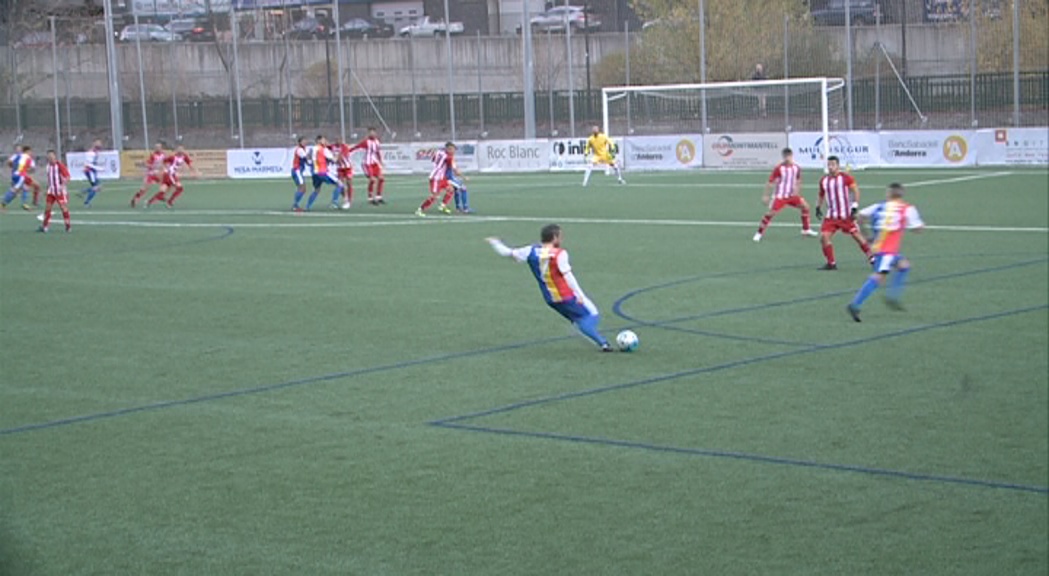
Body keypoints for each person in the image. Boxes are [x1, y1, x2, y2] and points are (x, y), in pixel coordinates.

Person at [486, 224, 613, 352]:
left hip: (550, 299)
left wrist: (495, 243)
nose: (561, 239)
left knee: (578, 318)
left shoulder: (530, 250)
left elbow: (507, 253)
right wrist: (579, 294)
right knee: (591, 314)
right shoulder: (559, 254)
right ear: (554, 237)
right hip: (566, 295)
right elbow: (568, 276)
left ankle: (594, 336)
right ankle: (603, 343)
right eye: (560, 236)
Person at [847, 183, 925, 322]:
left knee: (904, 266)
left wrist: (867, 236)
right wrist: (920, 226)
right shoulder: (907, 209)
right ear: (901, 194)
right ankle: (855, 304)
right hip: (887, 251)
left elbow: (859, 216)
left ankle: (893, 296)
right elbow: (917, 229)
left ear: (889, 194)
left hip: (880, 248)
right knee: (879, 277)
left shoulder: (879, 206)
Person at [815, 155, 872, 270]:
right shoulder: (824, 180)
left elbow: (855, 190)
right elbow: (821, 194)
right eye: (829, 165)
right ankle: (831, 263)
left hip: (845, 215)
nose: (831, 167)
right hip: (831, 216)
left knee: (856, 236)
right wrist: (817, 207)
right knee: (824, 237)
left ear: (838, 166)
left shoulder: (845, 178)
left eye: (833, 165)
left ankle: (872, 257)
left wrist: (854, 206)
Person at [753, 147, 818, 242]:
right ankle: (759, 233)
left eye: (789, 156)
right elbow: (770, 182)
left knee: (806, 207)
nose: (787, 158)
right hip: (780, 196)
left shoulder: (796, 168)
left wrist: (797, 190)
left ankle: (806, 229)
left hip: (792, 196)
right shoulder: (779, 168)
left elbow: (798, 180)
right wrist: (766, 195)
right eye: (785, 156)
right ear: (783, 157)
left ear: (792, 156)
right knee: (770, 213)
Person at [416, 142, 458, 217]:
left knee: (451, 189)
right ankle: (420, 209)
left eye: (454, 150)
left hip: (442, 178)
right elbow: (451, 167)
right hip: (436, 178)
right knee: (434, 196)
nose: (453, 151)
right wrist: (457, 173)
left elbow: (429, 152)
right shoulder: (448, 157)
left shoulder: (439, 152)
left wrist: (422, 152)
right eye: (452, 149)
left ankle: (442, 206)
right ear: (447, 149)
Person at [307, 135, 344, 211]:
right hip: (323, 172)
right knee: (340, 184)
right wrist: (338, 155)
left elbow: (308, 159)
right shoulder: (324, 149)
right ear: (319, 141)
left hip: (314, 173)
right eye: (324, 140)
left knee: (317, 190)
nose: (325, 142)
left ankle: (308, 206)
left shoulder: (311, 149)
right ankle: (334, 203)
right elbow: (334, 160)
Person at [349, 127, 385, 205]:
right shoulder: (366, 142)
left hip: (375, 163)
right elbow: (356, 147)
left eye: (373, 132)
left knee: (381, 179)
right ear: (368, 133)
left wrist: (380, 161)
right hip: (367, 164)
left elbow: (377, 152)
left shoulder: (377, 142)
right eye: (370, 132)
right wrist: (347, 151)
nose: (372, 134)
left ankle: (379, 197)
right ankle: (370, 197)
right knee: (372, 180)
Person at [38, 149, 71, 233]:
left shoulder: (59, 165)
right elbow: (50, 179)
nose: (51, 158)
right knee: (47, 208)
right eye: (49, 157)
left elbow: (67, 177)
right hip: (51, 191)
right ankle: (45, 226)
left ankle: (68, 226)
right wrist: (46, 189)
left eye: (52, 157)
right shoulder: (48, 166)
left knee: (63, 208)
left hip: (60, 192)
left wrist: (63, 185)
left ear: (55, 156)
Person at [131, 142, 168, 207]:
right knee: (145, 188)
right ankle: (135, 198)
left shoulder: (164, 155)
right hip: (152, 173)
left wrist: (165, 168)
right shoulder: (153, 155)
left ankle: (161, 196)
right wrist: (152, 166)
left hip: (159, 173)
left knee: (165, 184)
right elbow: (148, 164)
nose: (158, 148)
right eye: (156, 147)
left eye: (159, 147)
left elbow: (166, 163)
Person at [2, 145, 34, 211]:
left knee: (24, 188)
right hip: (20, 176)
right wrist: (27, 170)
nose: (31, 153)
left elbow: (9, 161)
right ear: (27, 151)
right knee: (14, 190)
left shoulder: (17, 155)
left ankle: (23, 204)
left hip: (14, 175)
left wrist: (14, 167)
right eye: (30, 151)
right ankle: (1, 205)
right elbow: (32, 168)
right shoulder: (28, 157)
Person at [332, 136, 355, 209]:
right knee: (340, 185)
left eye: (339, 140)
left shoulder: (344, 147)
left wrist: (334, 160)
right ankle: (345, 199)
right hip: (339, 169)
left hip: (347, 168)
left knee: (349, 183)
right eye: (336, 140)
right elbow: (325, 147)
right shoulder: (332, 146)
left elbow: (341, 156)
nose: (338, 141)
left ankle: (349, 200)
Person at [80, 139, 103, 207]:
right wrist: (99, 168)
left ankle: (85, 191)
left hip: (92, 171)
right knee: (96, 187)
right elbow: (89, 164)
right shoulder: (91, 153)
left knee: (98, 187)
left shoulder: (96, 152)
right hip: (90, 172)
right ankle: (86, 202)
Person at [290, 137, 311, 212]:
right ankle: (295, 205)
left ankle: (295, 204)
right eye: (303, 141)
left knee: (301, 188)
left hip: (298, 171)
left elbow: (307, 161)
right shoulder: (300, 150)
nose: (305, 142)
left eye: (305, 141)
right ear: (299, 142)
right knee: (302, 188)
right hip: (297, 170)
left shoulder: (304, 149)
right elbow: (306, 158)